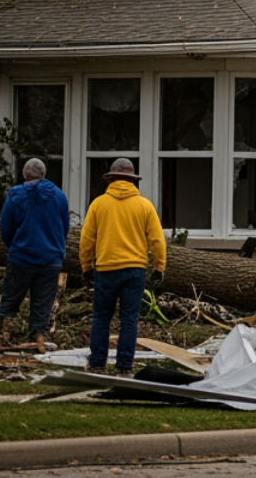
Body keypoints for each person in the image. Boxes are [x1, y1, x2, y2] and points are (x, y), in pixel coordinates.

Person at [79, 158, 167, 376]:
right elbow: (157, 240)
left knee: (101, 317)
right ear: (132, 180)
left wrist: (86, 267)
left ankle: (98, 364)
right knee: (129, 319)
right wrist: (159, 266)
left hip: (106, 268)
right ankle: (124, 367)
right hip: (134, 270)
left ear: (111, 179)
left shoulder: (98, 204)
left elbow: (87, 240)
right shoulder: (144, 206)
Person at [0, 158, 70, 351]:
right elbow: (64, 227)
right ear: (43, 174)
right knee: (43, 302)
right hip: (51, 259)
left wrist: (15, 246)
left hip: (22, 257)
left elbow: (6, 227)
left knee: (11, 299)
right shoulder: (59, 196)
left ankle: (3, 336)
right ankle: (38, 340)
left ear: (25, 174)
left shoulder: (16, 194)